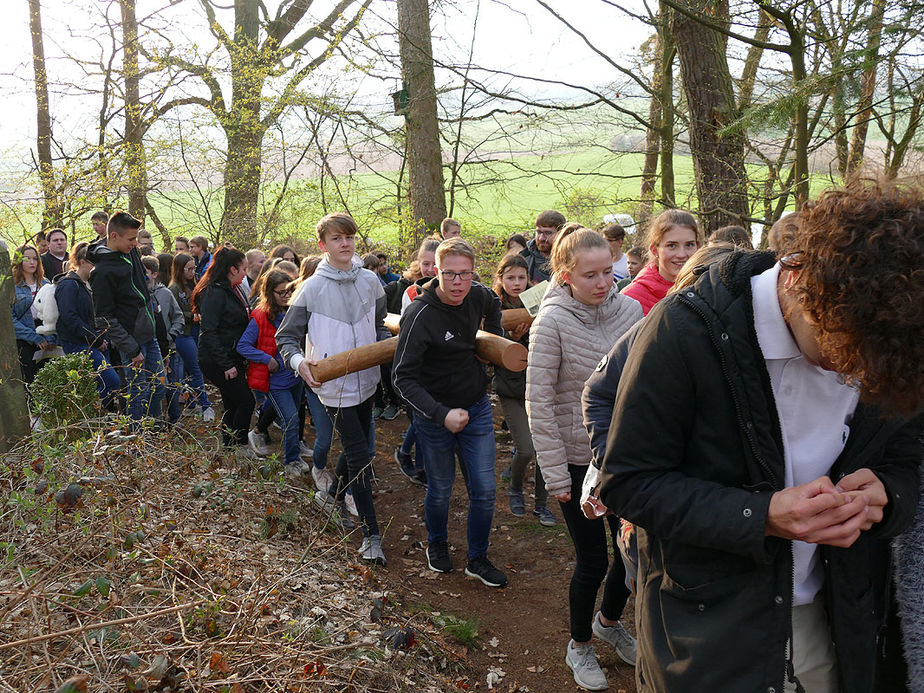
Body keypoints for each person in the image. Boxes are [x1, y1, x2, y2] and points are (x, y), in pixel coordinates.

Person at [599, 179, 924, 693]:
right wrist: (762, 517)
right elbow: (629, 483)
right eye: (843, 351)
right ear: (801, 282)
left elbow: (908, 455)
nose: (854, 375)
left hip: (840, 618)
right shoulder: (686, 331)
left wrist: (889, 495)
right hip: (711, 630)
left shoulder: (890, 335)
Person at [582, 242, 738, 592]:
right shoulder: (659, 326)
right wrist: (617, 466)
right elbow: (598, 391)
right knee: (654, 586)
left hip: (713, 503)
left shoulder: (745, 338)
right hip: (659, 499)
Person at [526, 225, 642, 690]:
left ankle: (609, 623)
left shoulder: (631, 309)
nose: (602, 283)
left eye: (608, 273)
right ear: (565, 274)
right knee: (592, 561)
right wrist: (556, 475)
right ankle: (580, 646)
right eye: (590, 275)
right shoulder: (550, 321)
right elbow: (540, 401)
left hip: (625, 458)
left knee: (631, 557)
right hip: (576, 462)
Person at [392, 237, 508, 588]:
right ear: (437, 272)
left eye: (465, 274)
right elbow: (402, 378)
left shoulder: (478, 294)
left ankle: (477, 558)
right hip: (433, 417)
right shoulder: (420, 314)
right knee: (441, 488)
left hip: (475, 407)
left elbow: (493, 303)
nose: (458, 283)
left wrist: (493, 342)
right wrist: (440, 414)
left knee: (485, 490)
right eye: (450, 275)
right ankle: (437, 542)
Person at [276, 212, 389, 565]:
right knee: (359, 454)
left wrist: (386, 351)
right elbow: (286, 339)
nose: (345, 244)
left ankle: (334, 494)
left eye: (350, 237)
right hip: (332, 385)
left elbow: (380, 327)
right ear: (323, 245)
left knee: (358, 448)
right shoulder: (311, 287)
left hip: (368, 382)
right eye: (337, 239)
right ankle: (371, 535)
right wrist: (300, 364)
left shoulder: (371, 281)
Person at [492, 253, 555, 525]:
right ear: (501, 279)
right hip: (510, 389)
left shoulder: (538, 301)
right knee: (526, 449)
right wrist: (511, 339)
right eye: (510, 278)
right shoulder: (492, 305)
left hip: (538, 388)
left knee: (544, 451)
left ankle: (541, 504)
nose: (516, 283)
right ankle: (515, 489)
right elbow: (488, 344)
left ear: (528, 279)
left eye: (521, 278)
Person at [87, 212, 167, 422]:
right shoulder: (102, 272)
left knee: (159, 386)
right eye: (131, 239)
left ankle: (153, 433)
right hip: (132, 342)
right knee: (137, 394)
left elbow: (142, 292)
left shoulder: (129, 252)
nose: (136, 244)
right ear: (113, 236)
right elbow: (104, 319)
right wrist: (131, 349)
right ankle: (136, 441)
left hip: (150, 336)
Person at [237, 270, 308, 477]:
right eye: (281, 293)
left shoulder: (294, 311)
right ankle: (291, 461)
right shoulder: (261, 316)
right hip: (276, 382)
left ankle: (292, 451)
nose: (287, 296)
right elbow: (243, 346)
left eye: (289, 291)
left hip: (295, 376)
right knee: (291, 419)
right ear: (269, 293)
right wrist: (266, 359)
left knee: (293, 417)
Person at [192, 246, 255, 451]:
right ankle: (240, 446)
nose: (246, 273)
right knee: (246, 401)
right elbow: (208, 331)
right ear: (232, 269)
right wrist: (226, 364)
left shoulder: (232, 289)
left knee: (232, 402)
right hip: (217, 359)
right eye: (243, 269)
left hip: (231, 355)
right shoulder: (215, 293)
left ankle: (229, 448)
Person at [56, 241, 120, 410]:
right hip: (77, 343)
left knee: (101, 384)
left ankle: (99, 423)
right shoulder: (69, 284)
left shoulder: (91, 284)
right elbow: (70, 318)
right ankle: (87, 414)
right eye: (94, 263)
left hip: (96, 342)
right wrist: (96, 339)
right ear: (82, 262)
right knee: (111, 380)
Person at [621, 209, 700, 315]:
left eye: (689, 245)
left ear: (698, 247)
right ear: (655, 250)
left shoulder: (709, 288)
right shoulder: (631, 299)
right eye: (672, 245)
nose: (682, 254)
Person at [168, 253, 214, 421]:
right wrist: (193, 315)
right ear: (180, 269)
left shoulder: (191, 285)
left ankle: (191, 405)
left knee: (189, 371)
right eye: (189, 268)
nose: (192, 272)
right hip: (182, 334)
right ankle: (205, 404)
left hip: (193, 331)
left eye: (194, 268)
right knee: (195, 368)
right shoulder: (174, 289)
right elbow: (175, 314)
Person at [142, 256, 183, 425]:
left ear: (154, 274)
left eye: (145, 273)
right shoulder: (140, 295)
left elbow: (178, 317)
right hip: (150, 347)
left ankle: (174, 419)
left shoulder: (165, 293)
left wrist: (170, 335)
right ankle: (156, 423)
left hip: (168, 346)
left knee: (170, 385)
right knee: (153, 386)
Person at [11, 244, 57, 386]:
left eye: (35, 259)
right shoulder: (12, 286)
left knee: (49, 382)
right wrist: (34, 337)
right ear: (19, 261)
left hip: (46, 335)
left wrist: (50, 337)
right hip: (24, 337)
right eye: (27, 259)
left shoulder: (45, 283)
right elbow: (9, 319)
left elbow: (54, 314)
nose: (32, 262)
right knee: (29, 382)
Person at [520, 210, 565, 283]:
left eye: (548, 233)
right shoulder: (524, 258)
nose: (541, 238)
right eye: (539, 232)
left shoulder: (569, 261)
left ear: (560, 234)